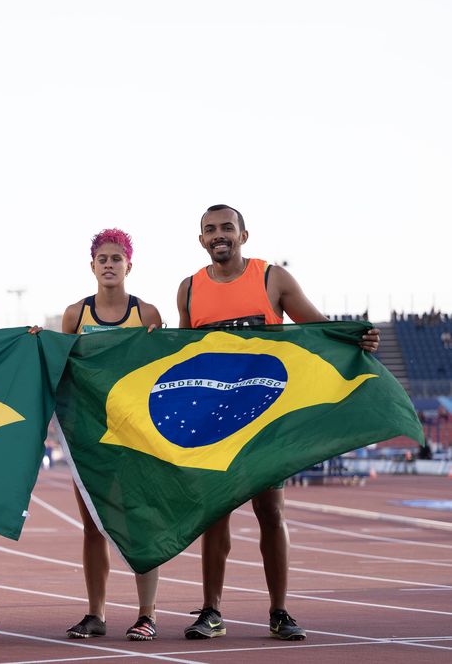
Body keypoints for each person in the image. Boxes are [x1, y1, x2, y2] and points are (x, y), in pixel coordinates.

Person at [176, 204, 379, 642]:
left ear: (244, 235)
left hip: (266, 418)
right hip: (215, 424)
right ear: (201, 240)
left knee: (271, 512)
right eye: (210, 230)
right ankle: (211, 611)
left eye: (227, 227)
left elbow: (319, 329)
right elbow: (179, 356)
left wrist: (356, 338)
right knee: (215, 516)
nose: (219, 235)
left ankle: (280, 611)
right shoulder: (189, 289)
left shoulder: (271, 279)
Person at [60, 228, 164, 642]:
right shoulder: (75, 315)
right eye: (102, 258)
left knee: (141, 522)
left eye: (116, 258)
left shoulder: (148, 314)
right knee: (92, 526)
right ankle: (95, 614)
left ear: (129, 265)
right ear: (92, 266)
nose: (108, 264)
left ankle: (146, 614)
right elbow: (60, 368)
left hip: (136, 436)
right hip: (88, 436)